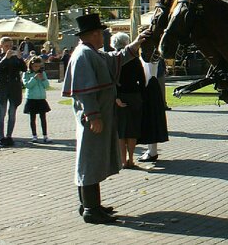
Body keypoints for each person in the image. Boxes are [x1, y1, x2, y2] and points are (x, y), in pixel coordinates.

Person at [62, 13, 150, 224]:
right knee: (90, 160)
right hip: (93, 118)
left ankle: (92, 205)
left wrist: (136, 43)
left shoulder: (92, 52)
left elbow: (115, 60)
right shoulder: (83, 55)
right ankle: (90, 209)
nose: (103, 36)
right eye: (101, 33)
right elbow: (84, 91)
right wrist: (94, 116)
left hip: (99, 115)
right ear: (92, 34)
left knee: (93, 159)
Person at [111, 33, 145, 169]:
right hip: (134, 96)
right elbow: (142, 79)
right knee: (132, 130)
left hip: (119, 97)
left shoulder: (113, 60)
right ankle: (131, 159)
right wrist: (140, 95)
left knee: (121, 131)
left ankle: (123, 160)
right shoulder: (135, 59)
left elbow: (111, 79)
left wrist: (116, 96)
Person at [0, 36, 27, 147]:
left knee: (12, 114)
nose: (8, 48)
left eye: (10, 46)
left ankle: (9, 136)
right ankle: (1, 137)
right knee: (1, 114)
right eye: (6, 46)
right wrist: (5, 59)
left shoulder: (16, 58)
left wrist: (20, 58)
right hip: (3, 88)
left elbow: (24, 69)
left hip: (14, 88)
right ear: (1, 46)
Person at [137, 57, 169, 163]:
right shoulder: (149, 58)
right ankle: (151, 150)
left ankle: (152, 151)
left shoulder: (148, 57)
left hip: (149, 88)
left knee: (150, 120)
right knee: (151, 120)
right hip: (151, 87)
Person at [23, 57, 51, 143]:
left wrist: (42, 79)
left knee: (43, 118)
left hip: (41, 98)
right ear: (31, 65)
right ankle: (34, 135)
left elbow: (46, 86)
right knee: (32, 118)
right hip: (31, 98)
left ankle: (45, 135)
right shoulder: (27, 74)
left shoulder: (43, 73)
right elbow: (27, 85)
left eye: (39, 66)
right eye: (35, 66)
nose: (37, 68)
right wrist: (34, 78)